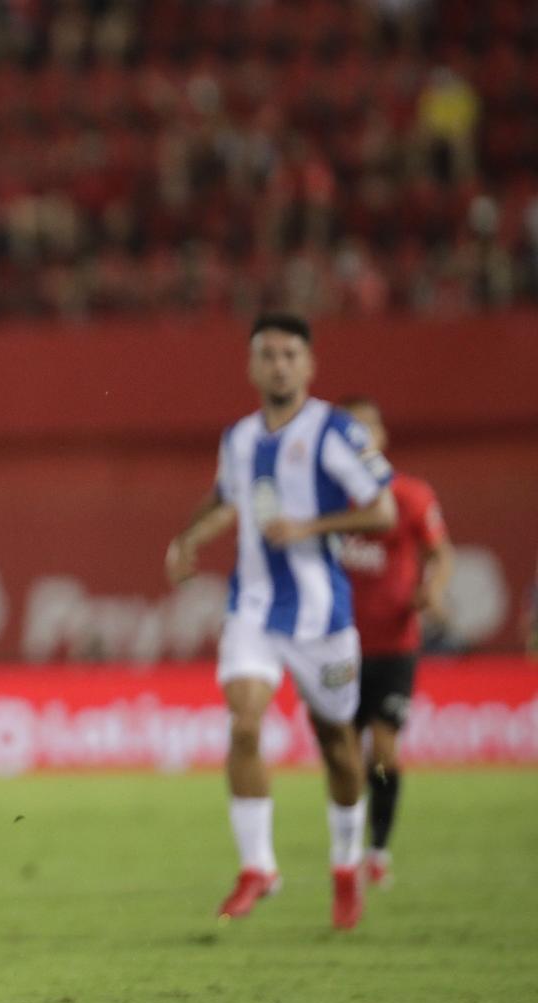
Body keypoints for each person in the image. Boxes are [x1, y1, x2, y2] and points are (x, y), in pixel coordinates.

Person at [164, 314, 396, 931]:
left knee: (339, 749)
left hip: (323, 619)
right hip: (254, 610)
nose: (278, 365)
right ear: (251, 366)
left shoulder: (335, 431)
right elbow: (228, 498)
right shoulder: (238, 438)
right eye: (267, 355)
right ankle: (258, 866)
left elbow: (383, 511)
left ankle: (345, 867)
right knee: (244, 726)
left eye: (290, 354)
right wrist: (187, 539)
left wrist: (309, 528)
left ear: (309, 364)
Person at [334, 396, 452, 887]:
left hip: (394, 645)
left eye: (368, 431)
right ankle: (347, 850)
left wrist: (432, 589)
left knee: (382, 752)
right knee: (343, 757)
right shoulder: (326, 502)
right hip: (337, 646)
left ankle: (377, 851)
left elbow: (439, 554)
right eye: (351, 432)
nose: (361, 440)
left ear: (382, 438)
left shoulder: (411, 497)